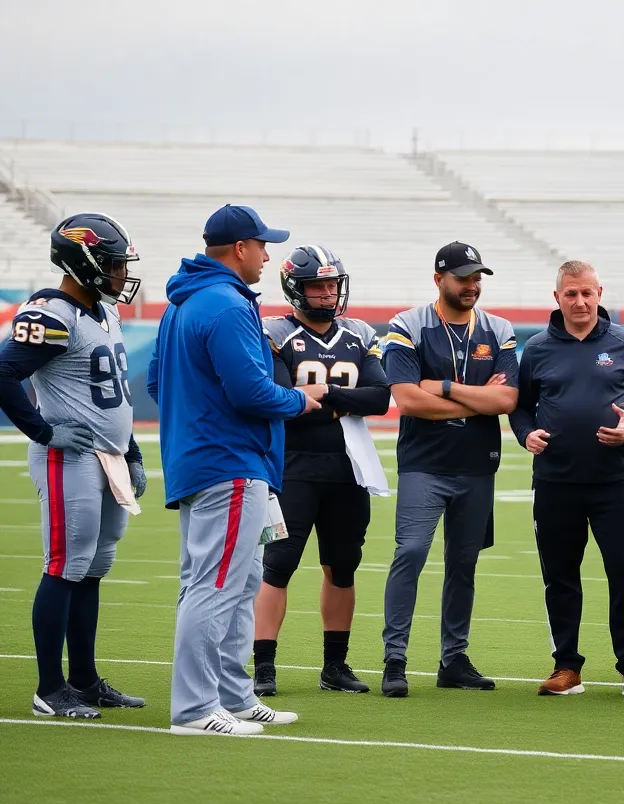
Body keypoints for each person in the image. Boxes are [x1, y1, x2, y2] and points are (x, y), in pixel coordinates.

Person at [151, 204, 319, 736]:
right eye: (262, 245)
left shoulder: (184, 303)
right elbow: (250, 391)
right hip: (229, 462)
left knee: (240, 581)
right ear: (240, 248)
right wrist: (300, 400)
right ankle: (197, 710)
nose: (268, 255)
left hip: (208, 460)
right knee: (216, 583)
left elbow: (158, 383)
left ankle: (233, 696)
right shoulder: (225, 304)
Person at [0, 213, 145, 718]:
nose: (121, 273)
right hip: (69, 456)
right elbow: (2, 372)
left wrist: (131, 449)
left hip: (107, 455)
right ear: (83, 264)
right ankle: (48, 688)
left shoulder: (102, 312)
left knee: (92, 568)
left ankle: (84, 680)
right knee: (65, 565)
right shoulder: (50, 312)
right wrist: (43, 430)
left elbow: (112, 394)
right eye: (113, 263)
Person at [509, 261, 624, 697]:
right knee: (560, 574)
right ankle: (566, 665)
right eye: (571, 294)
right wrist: (525, 433)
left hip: (614, 482)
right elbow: (521, 407)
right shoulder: (536, 348)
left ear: (599, 294)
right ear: (557, 298)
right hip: (555, 482)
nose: (580, 301)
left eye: (587, 293)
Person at [379, 241, 519, 697]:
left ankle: (453, 659)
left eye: (478, 277)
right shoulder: (408, 324)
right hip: (425, 463)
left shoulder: (498, 328)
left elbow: (507, 400)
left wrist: (442, 387)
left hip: (477, 466)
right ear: (439, 278)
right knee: (412, 552)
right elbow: (406, 399)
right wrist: (477, 400)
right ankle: (394, 659)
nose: (472, 284)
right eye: (463, 277)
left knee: (464, 563)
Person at [253, 245, 391, 696]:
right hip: (292, 465)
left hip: (348, 468)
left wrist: (322, 393)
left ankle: (335, 666)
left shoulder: (358, 333)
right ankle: (264, 667)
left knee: (343, 566)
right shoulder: (275, 332)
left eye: (333, 285)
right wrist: (334, 401)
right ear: (296, 288)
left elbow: (379, 398)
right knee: (279, 564)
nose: (329, 294)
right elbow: (279, 398)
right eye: (318, 285)